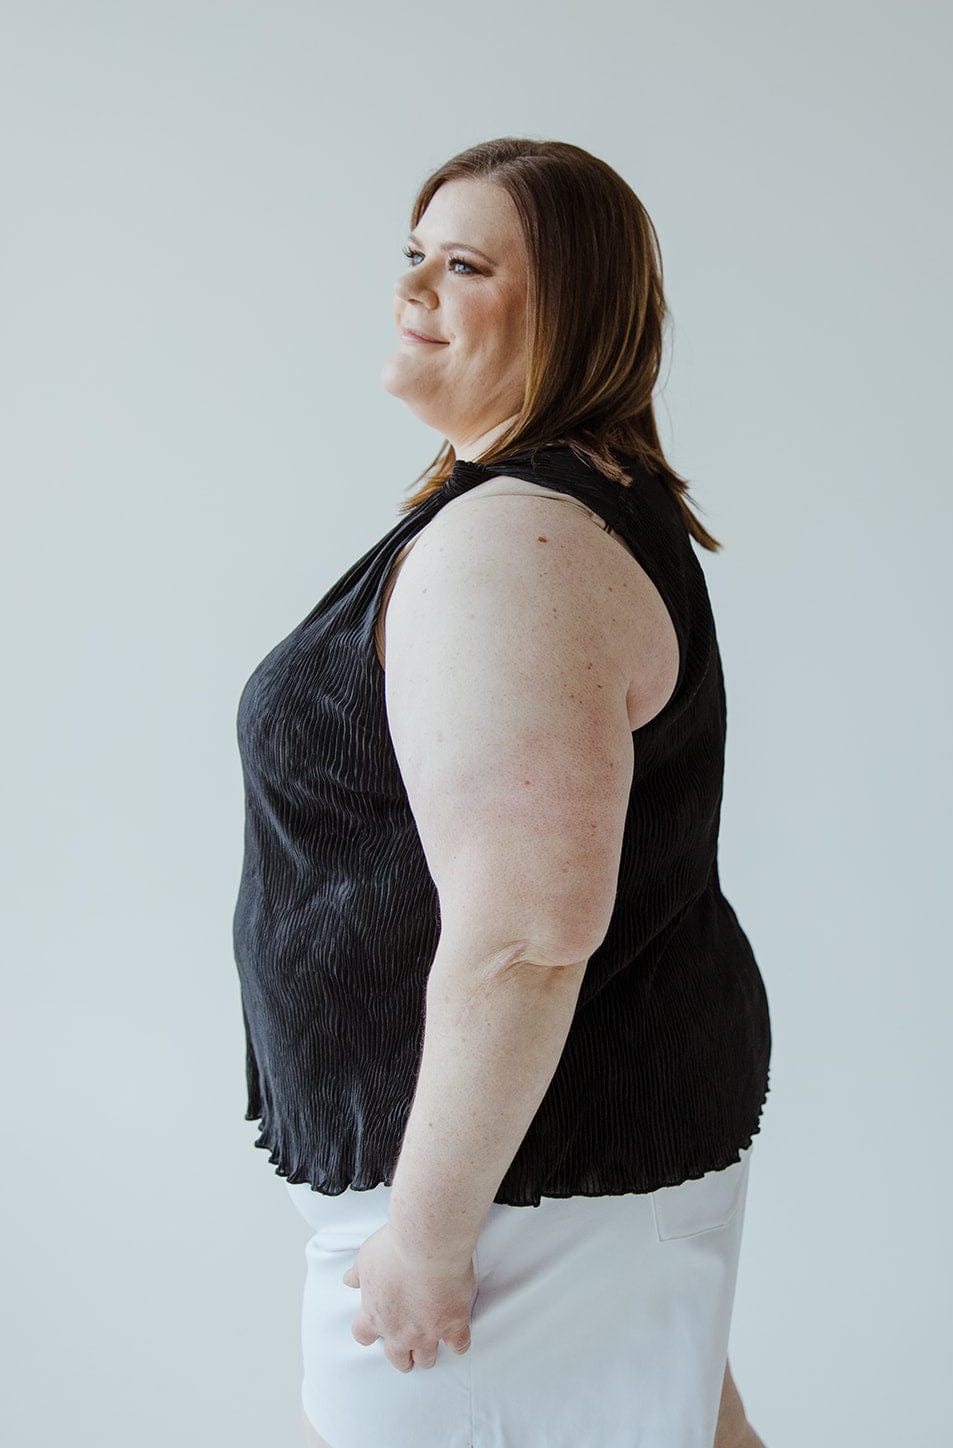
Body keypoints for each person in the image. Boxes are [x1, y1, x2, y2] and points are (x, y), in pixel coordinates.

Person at [231, 136, 772, 1448]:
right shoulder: (558, 509)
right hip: (556, 1175)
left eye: (463, 264)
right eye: (413, 255)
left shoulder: (513, 546)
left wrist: (425, 1233)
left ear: (574, 308)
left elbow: (529, 930)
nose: (414, 287)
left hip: (511, 1196)